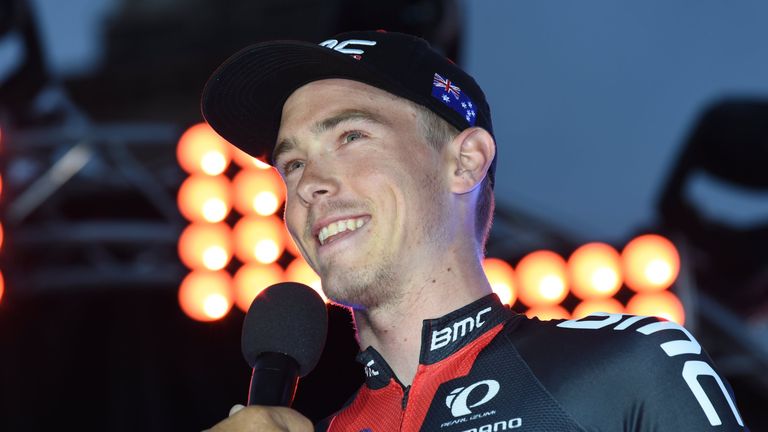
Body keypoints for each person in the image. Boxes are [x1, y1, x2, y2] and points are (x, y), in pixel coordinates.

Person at [201, 30, 747, 431]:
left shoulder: (623, 372)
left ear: (466, 162)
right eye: (292, 165)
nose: (309, 184)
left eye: (351, 136)